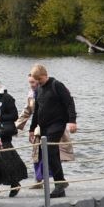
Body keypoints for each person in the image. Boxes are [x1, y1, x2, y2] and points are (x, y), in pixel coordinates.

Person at [28, 64, 77, 198]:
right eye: (36, 80)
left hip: (57, 124)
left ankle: (59, 185)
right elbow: (37, 111)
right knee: (50, 153)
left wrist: (72, 121)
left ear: (44, 75)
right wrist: (32, 129)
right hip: (44, 126)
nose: (37, 82)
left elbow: (69, 102)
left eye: (39, 79)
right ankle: (61, 182)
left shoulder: (57, 85)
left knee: (50, 151)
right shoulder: (39, 89)